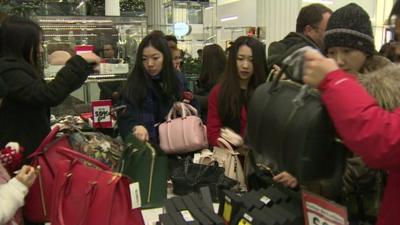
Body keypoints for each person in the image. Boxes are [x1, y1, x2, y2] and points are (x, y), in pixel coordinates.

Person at [302, 4, 400, 225]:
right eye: (332, 52)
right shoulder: (326, 88)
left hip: (366, 207)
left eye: (347, 51)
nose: (339, 61)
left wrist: (326, 184)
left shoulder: (389, 92)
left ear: (365, 50)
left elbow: (372, 151)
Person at [0, 16, 100, 160]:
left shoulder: (15, 68)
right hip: (19, 154)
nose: (40, 50)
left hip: (25, 148)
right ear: (22, 43)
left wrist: (83, 67)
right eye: (38, 43)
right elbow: (48, 95)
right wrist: (79, 63)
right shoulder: (9, 71)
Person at [117, 32, 188, 143]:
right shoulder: (134, 83)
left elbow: (190, 102)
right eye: (144, 59)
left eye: (155, 58)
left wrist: (181, 104)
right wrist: (135, 127)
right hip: (144, 147)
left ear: (165, 57)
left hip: (175, 143)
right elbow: (124, 117)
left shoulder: (177, 79)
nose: (149, 64)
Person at [207, 36, 266, 147]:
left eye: (251, 60)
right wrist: (226, 142)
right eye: (240, 59)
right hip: (228, 160)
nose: (245, 65)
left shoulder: (265, 93)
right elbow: (212, 133)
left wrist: (244, 144)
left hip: (258, 161)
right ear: (232, 60)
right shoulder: (219, 92)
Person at [267, 3, 332, 74]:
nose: (331, 35)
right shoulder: (313, 61)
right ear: (309, 30)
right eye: (327, 30)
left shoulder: (279, 51)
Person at [194, 44, 226, 122]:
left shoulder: (222, 79)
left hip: (213, 122)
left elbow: (211, 100)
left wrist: (192, 97)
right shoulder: (223, 75)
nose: (201, 60)